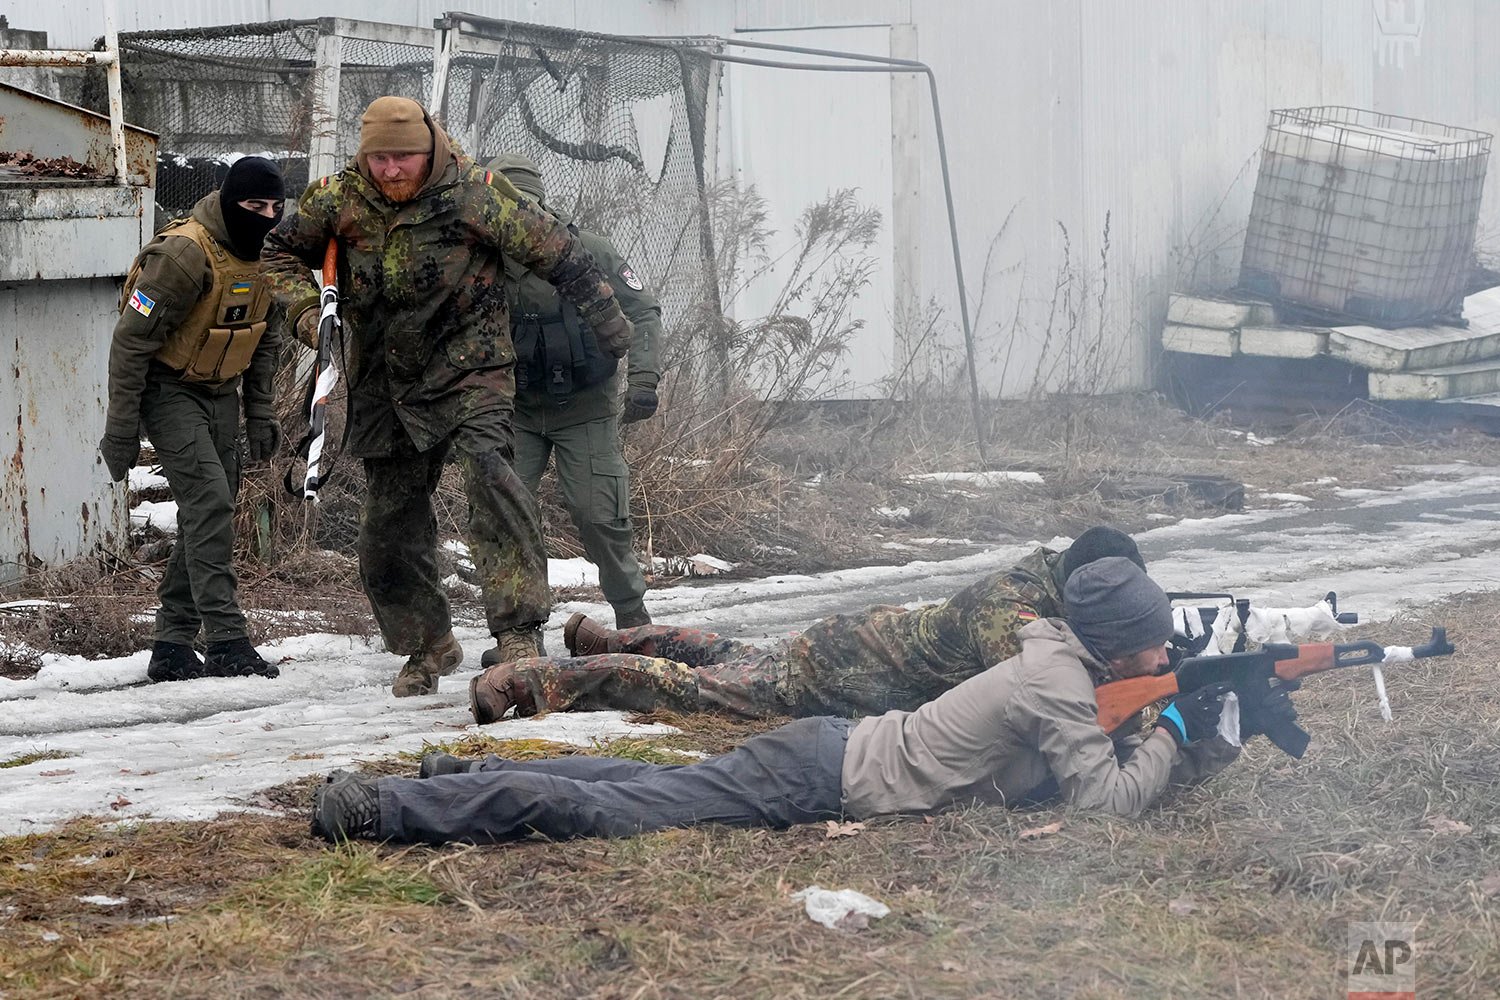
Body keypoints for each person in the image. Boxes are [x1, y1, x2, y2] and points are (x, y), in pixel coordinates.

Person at [311, 557, 1281, 844]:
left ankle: (457, 775)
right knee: (610, 804)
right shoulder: (1056, 679)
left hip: (831, 752)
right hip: (823, 772)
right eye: (1154, 642)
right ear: (1115, 645)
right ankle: (392, 806)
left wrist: (1199, 724)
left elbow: (1085, 763)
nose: (1161, 654)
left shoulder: (1067, 661)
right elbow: (1106, 796)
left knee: (642, 782)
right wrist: (1187, 726)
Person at [261, 97, 634, 697]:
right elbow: (278, 252)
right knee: (387, 522)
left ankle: (518, 633)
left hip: (471, 369)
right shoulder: (337, 199)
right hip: (383, 380)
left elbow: (561, 253)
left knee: (491, 477)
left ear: (429, 149)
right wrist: (308, 313)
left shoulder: (477, 195)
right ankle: (425, 645)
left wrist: (610, 323)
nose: (391, 170)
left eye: (402, 157)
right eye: (379, 158)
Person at [468, 526, 1145, 723]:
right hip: (841, 672)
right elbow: (1040, 694)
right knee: (688, 688)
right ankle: (528, 680)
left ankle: (602, 637)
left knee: (727, 653)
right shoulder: (1017, 611)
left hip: (849, 645)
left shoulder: (1035, 583)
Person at [98, 156, 286, 682]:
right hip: (169, 390)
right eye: (254, 206)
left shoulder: (268, 256)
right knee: (210, 503)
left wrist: (261, 412)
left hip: (221, 392)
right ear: (229, 200)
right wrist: (121, 431)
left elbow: (265, 337)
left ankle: (172, 644)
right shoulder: (183, 255)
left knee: (207, 514)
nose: (267, 217)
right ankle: (226, 639)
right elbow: (130, 343)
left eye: (276, 207)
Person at [488, 153, 661, 631]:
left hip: (585, 406)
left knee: (598, 513)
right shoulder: (481, 261)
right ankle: (519, 634)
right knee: (507, 518)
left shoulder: (587, 250)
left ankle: (631, 615)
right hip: (515, 409)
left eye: (526, 202)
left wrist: (644, 381)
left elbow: (644, 312)